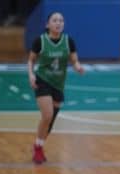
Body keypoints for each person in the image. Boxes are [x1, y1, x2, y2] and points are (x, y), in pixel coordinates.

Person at [27, 12, 84, 164]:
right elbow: (31, 60)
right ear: (48, 24)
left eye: (61, 20)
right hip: (43, 80)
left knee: (50, 121)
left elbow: (74, 59)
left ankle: (39, 144)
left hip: (59, 84)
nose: (58, 23)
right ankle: (38, 149)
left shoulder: (68, 41)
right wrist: (31, 75)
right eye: (55, 20)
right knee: (47, 115)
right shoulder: (40, 41)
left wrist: (78, 66)